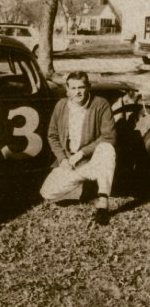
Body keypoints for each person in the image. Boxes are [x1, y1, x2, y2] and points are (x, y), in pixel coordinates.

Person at [40, 71, 116, 225]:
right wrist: (62, 160)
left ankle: (103, 200)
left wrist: (82, 153)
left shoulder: (100, 104)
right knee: (47, 192)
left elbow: (109, 136)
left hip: (92, 158)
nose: (77, 92)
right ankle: (86, 175)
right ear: (67, 90)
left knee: (107, 149)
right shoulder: (61, 105)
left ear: (88, 87)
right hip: (70, 160)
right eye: (73, 88)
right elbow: (52, 135)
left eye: (81, 87)